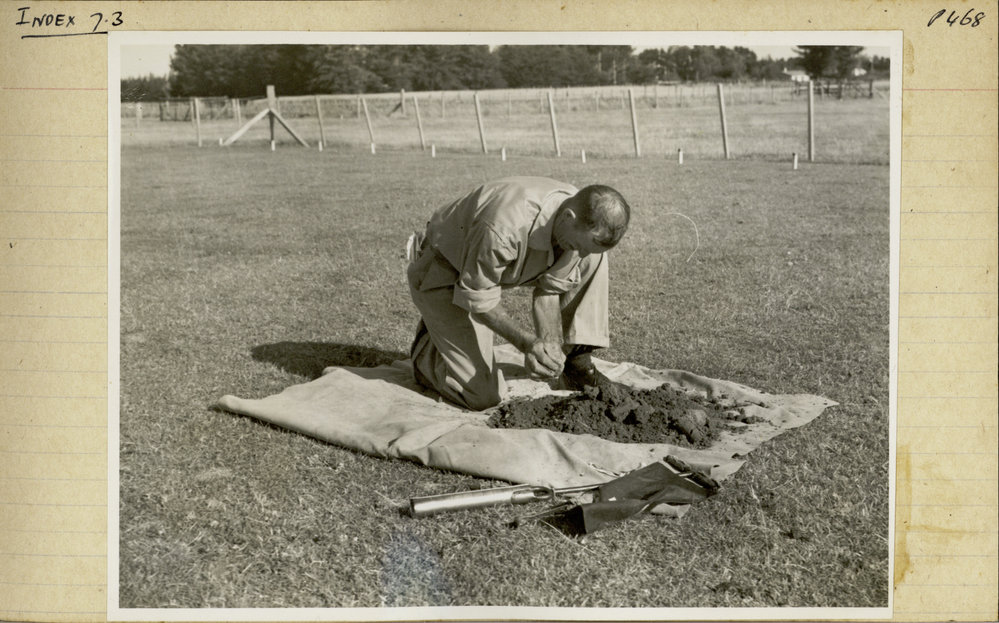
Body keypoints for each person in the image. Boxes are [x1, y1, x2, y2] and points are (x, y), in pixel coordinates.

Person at [406, 176, 631, 410]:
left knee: (594, 259)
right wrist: (528, 344)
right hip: (444, 271)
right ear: (568, 217)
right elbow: (480, 297)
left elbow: (549, 292)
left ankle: (576, 364)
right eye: (579, 247)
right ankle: (427, 355)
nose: (581, 255)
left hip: (487, 267)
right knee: (482, 396)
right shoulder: (503, 226)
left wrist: (550, 345)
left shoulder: (578, 215)